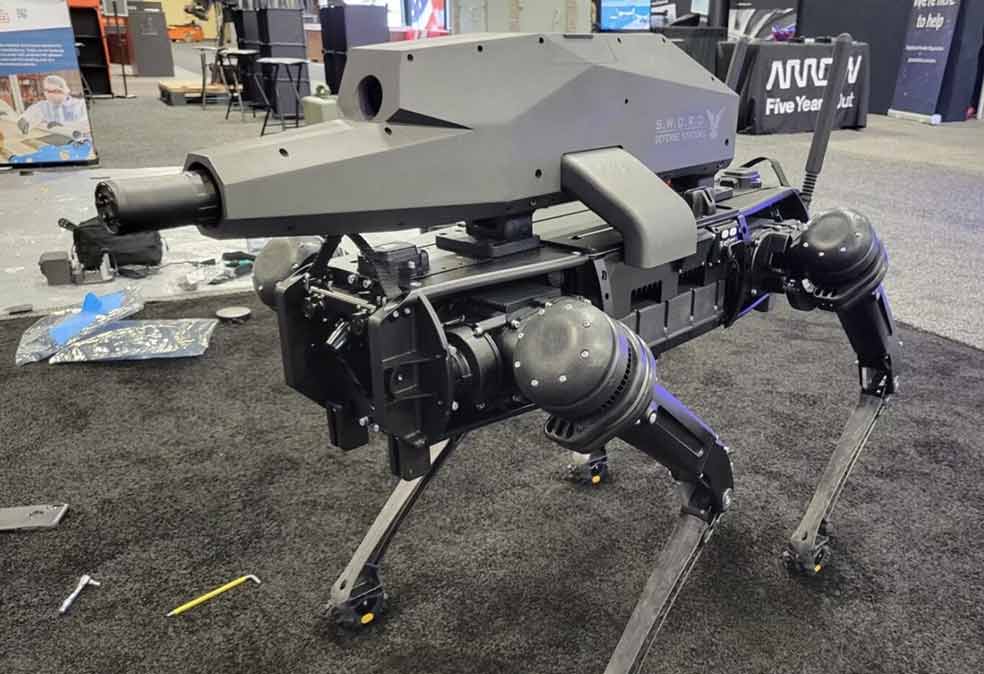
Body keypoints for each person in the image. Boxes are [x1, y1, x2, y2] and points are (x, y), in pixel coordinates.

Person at [16, 75, 89, 138]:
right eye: (47, 91)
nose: (50, 95)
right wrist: (24, 119)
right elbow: (31, 113)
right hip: (53, 139)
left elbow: (87, 124)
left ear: (64, 91)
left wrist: (63, 125)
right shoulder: (43, 105)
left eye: (55, 91)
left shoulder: (80, 104)